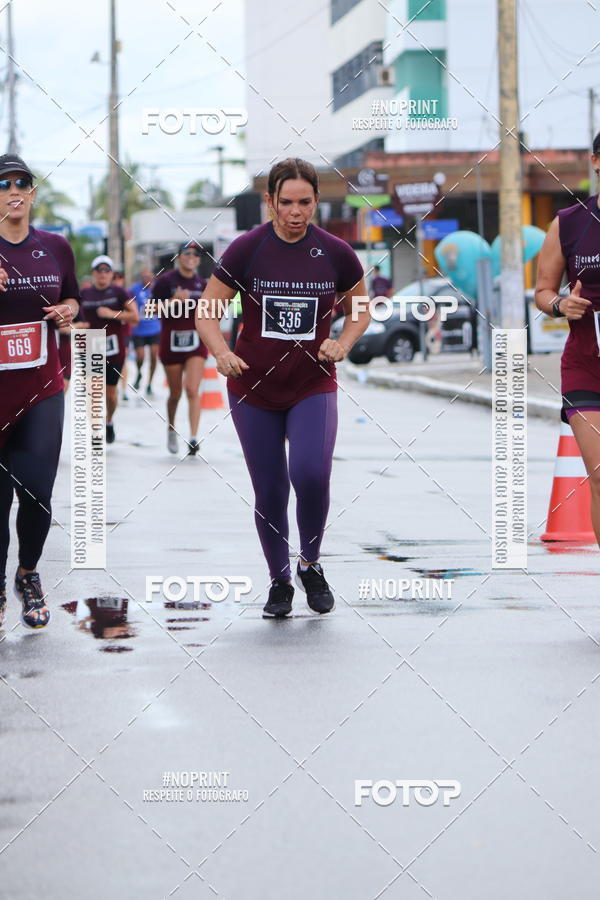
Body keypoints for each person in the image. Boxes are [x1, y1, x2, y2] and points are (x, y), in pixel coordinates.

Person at [197, 157, 370, 618]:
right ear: (270, 201)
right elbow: (206, 311)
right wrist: (221, 352)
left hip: (312, 384)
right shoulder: (246, 249)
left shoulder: (336, 252)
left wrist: (343, 342)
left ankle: (310, 562)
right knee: (270, 489)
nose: (296, 212)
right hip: (252, 387)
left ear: (317, 201)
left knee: (311, 474)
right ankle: (280, 581)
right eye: (286, 203)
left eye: (306, 202)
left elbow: (362, 310)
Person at [0, 154, 80, 629]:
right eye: (4, 184)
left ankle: (28, 574)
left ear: (32, 194)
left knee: (37, 490)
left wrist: (68, 310)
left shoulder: (56, 247)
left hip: (42, 384)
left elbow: (72, 294)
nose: (14, 191)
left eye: (22, 184)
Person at [535, 129, 600, 546]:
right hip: (585, 364)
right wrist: (562, 306)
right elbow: (543, 290)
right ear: (596, 161)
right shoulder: (570, 222)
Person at [153, 242, 207, 455]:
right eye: (187, 253)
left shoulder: (203, 284)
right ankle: (171, 429)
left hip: (196, 342)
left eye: (196, 254)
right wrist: (174, 300)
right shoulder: (166, 281)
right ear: (179, 257)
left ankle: (193, 438)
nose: (191, 256)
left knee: (192, 390)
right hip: (171, 342)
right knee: (175, 393)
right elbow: (151, 309)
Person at [79, 255, 139, 443]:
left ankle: (109, 420)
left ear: (112, 274)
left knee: (111, 394)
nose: (103, 274)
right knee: (93, 392)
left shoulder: (121, 293)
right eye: (99, 270)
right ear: (93, 274)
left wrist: (111, 314)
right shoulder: (84, 295)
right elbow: (74, 320)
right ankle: (95, 430)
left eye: (106, 270)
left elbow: (135, 317)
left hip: (114, 349)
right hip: (91, 346)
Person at [130, 267, 160, 396]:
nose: (147, 279)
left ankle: (149, 383)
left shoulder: (157, 290)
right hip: (139, 329)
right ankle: (139, 374)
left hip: (155, 328)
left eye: (149, 276)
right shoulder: (134, 290)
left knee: (153, 355)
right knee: (140, 356)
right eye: (144, 276)